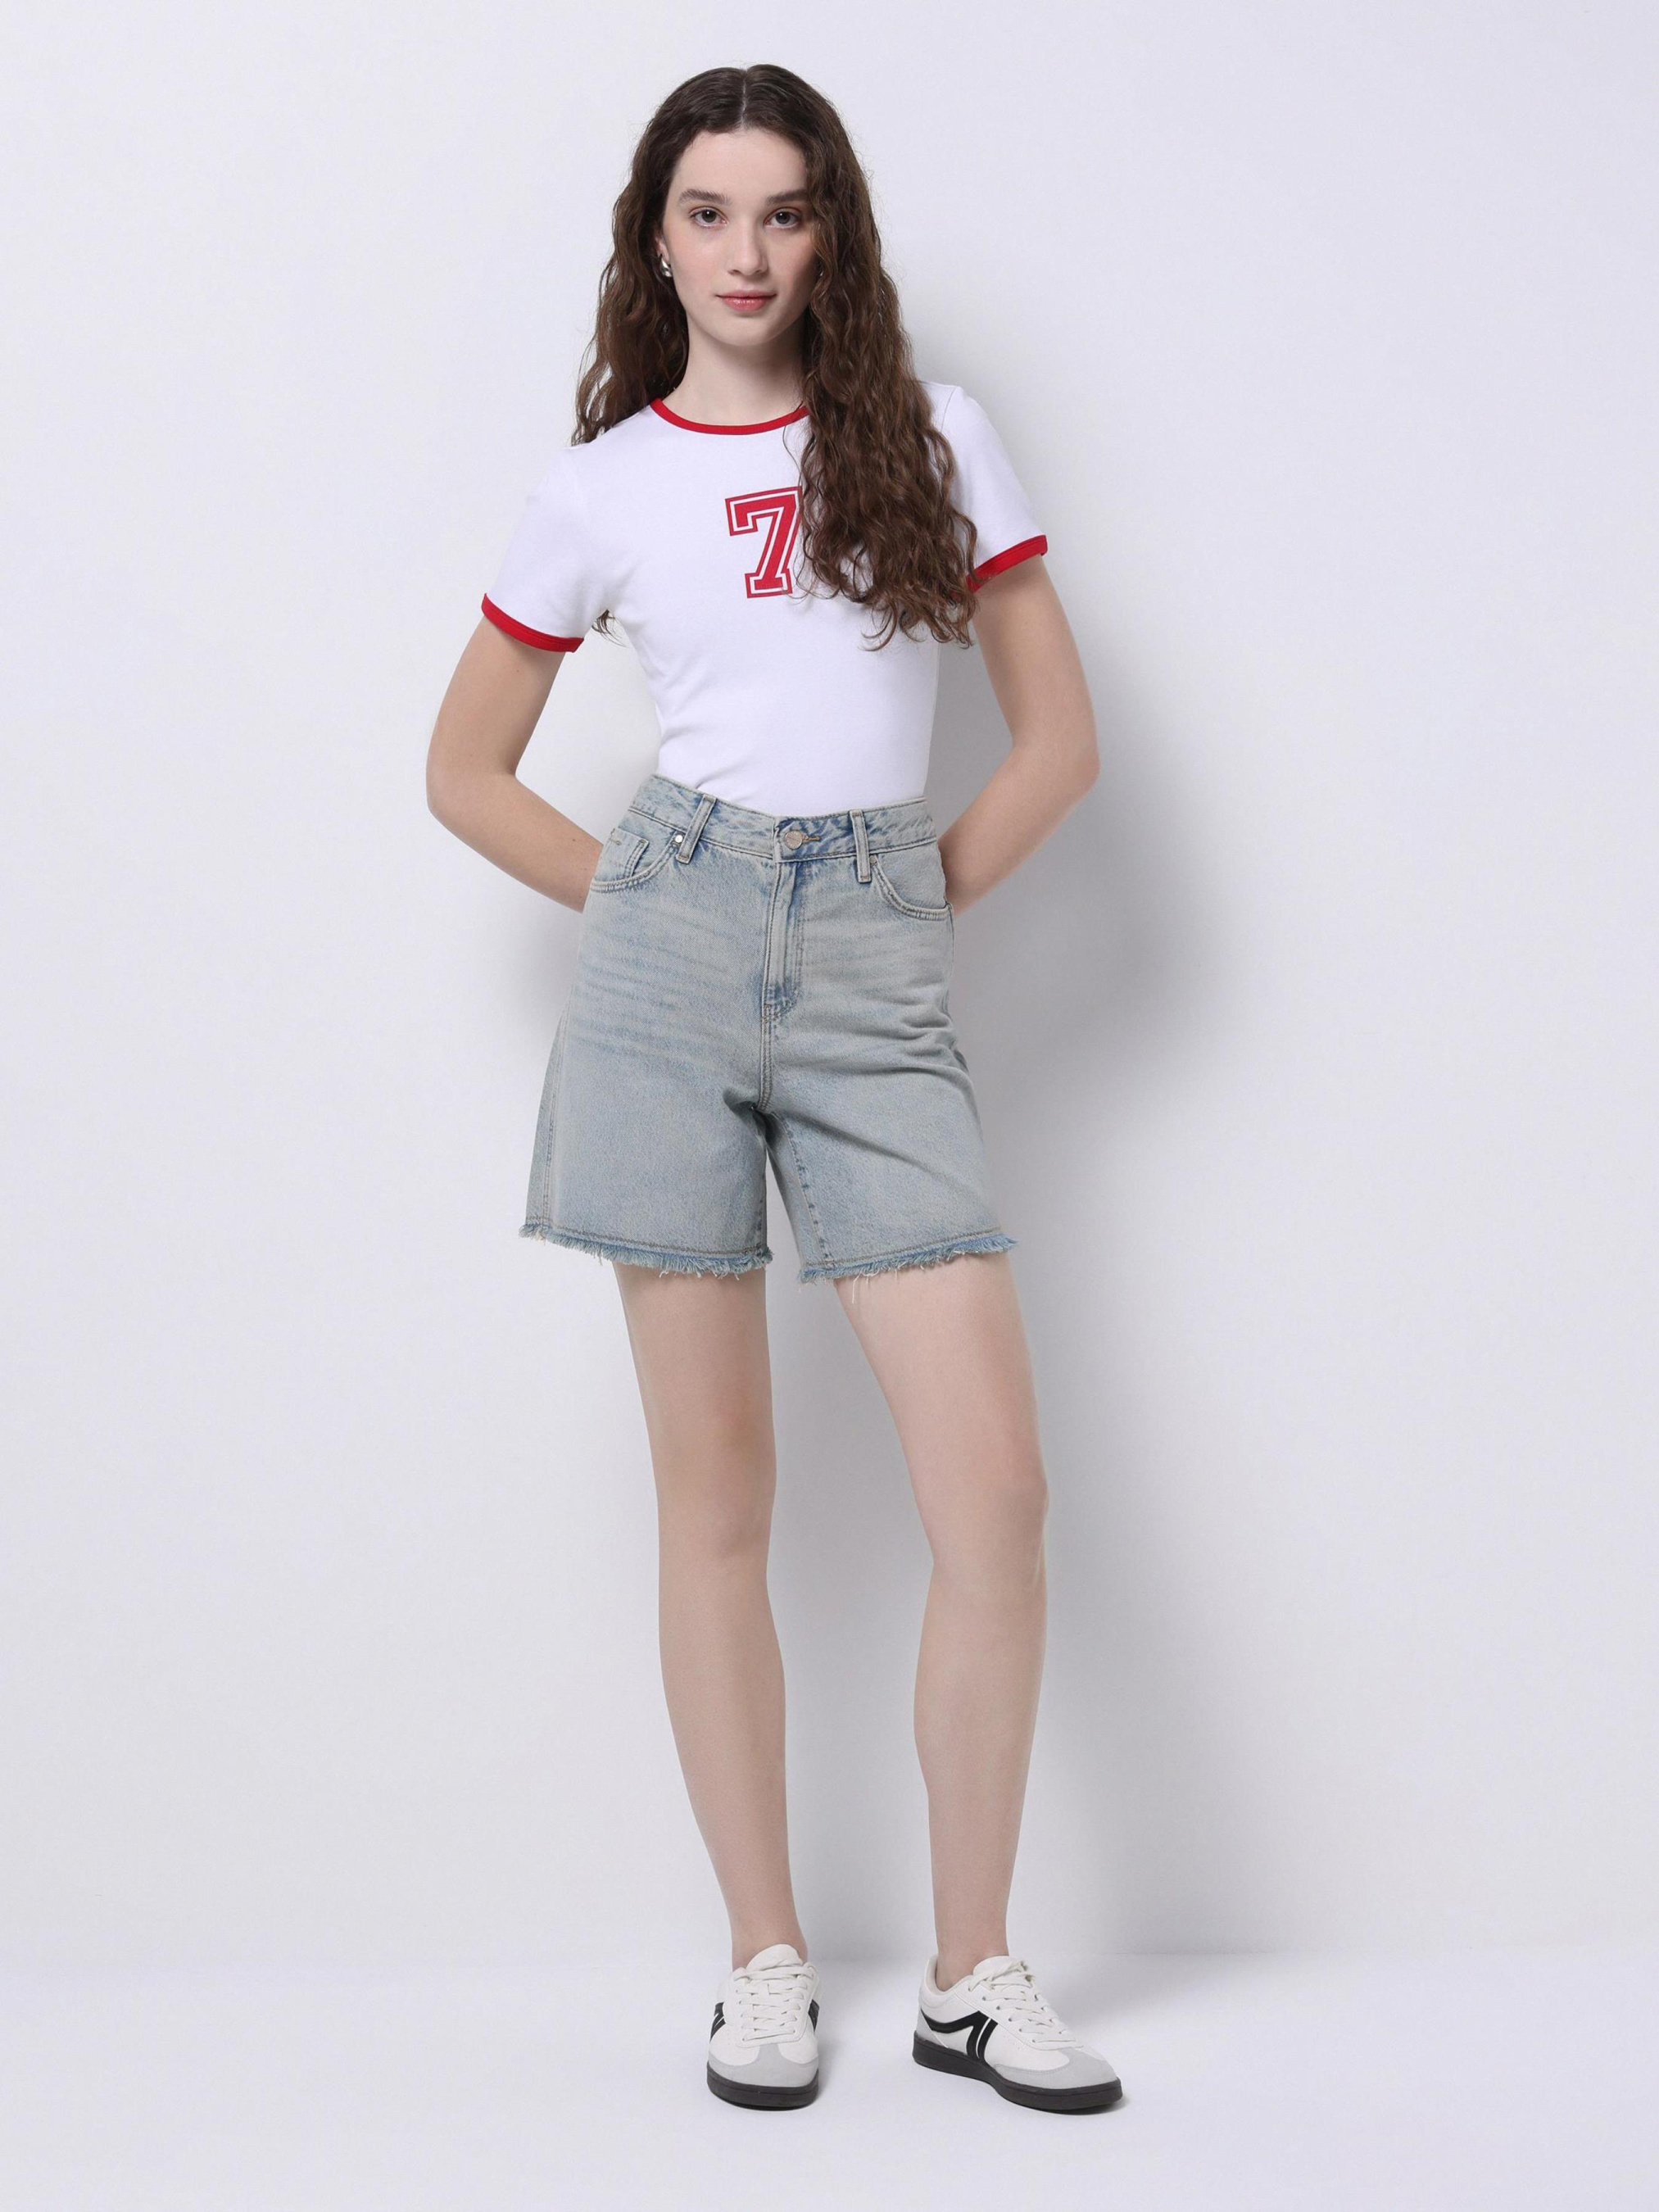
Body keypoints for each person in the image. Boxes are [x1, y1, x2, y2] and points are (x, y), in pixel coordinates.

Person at [426, 63, 1121, 2115]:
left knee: (994, 1495)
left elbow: (1056, 742)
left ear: (832, 235)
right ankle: (762, 1961)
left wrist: (897, 916)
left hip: (872, 980)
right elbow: (461, 772)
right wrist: (655, 905)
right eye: (709, 213)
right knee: (718, 1498)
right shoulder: (600, 485)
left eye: (785, 212)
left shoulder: (927, 435)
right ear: (656, 239)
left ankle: (971, 1973)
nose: (747, 252)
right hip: (666, 972)